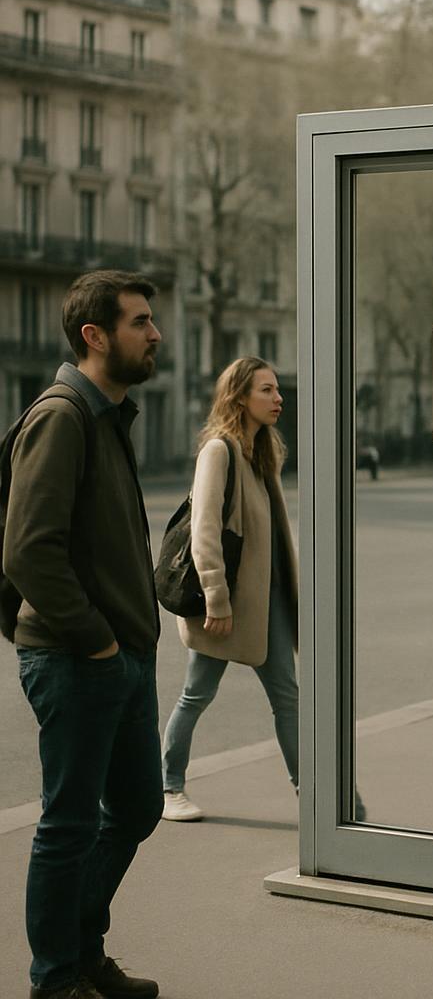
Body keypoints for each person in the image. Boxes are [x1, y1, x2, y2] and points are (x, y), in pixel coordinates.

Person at [4, 271, 163, 999]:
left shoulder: (110, 413)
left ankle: (80, 950)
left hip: (120, 656)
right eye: (138, 322)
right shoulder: (64, 414)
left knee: (137, 807)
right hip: (78, 658)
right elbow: (29, 550)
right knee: (68, 825)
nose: (155, 333)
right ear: (94, 336)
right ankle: (56, 977)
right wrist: (96, 643)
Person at [160, 357, 299, 821]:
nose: (278, 398)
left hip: (266, 602)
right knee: (196, 694)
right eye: (267, 390)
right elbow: (203, 531)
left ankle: (312, 792)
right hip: (226, 605)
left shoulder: (262, 454)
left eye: (277, 390)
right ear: (240, 396)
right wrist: (216, 600)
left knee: (288, 697)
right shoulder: (219, 451)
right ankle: (168, 787)